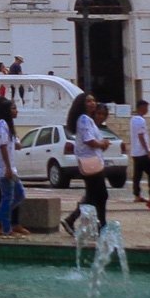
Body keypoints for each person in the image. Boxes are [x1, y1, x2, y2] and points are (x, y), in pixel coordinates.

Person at [60, 93, 111, 237]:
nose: (92, 103)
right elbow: (90, 140)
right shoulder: (83, 119)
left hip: (93, 161)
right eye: (88, 101)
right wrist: (102, 144)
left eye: (93, 100)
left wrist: (102, 144)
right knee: (100, 195)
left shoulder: (88, 120)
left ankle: (95, 224)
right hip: (90, 162)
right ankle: (100, 225)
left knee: (94, 195)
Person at [0, 95, 29, 237]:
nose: (16, 111)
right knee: (6, 197)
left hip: (7, 167)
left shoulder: (5, 124)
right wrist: (8, 168)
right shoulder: (0, 124)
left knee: (18, 194)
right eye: (13, 108)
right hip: (3, 167)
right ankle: (5, 228)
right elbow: (2, 146)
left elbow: (10, 143)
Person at [126, 99, 150, 202]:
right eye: (146, 107)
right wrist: (148, 150)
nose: (147, 110)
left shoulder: (133, 119)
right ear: (141, 108)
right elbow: (141, 136)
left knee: (137, 175)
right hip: (142, 152)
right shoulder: (141, 120)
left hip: (135, 151)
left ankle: (137, 194)